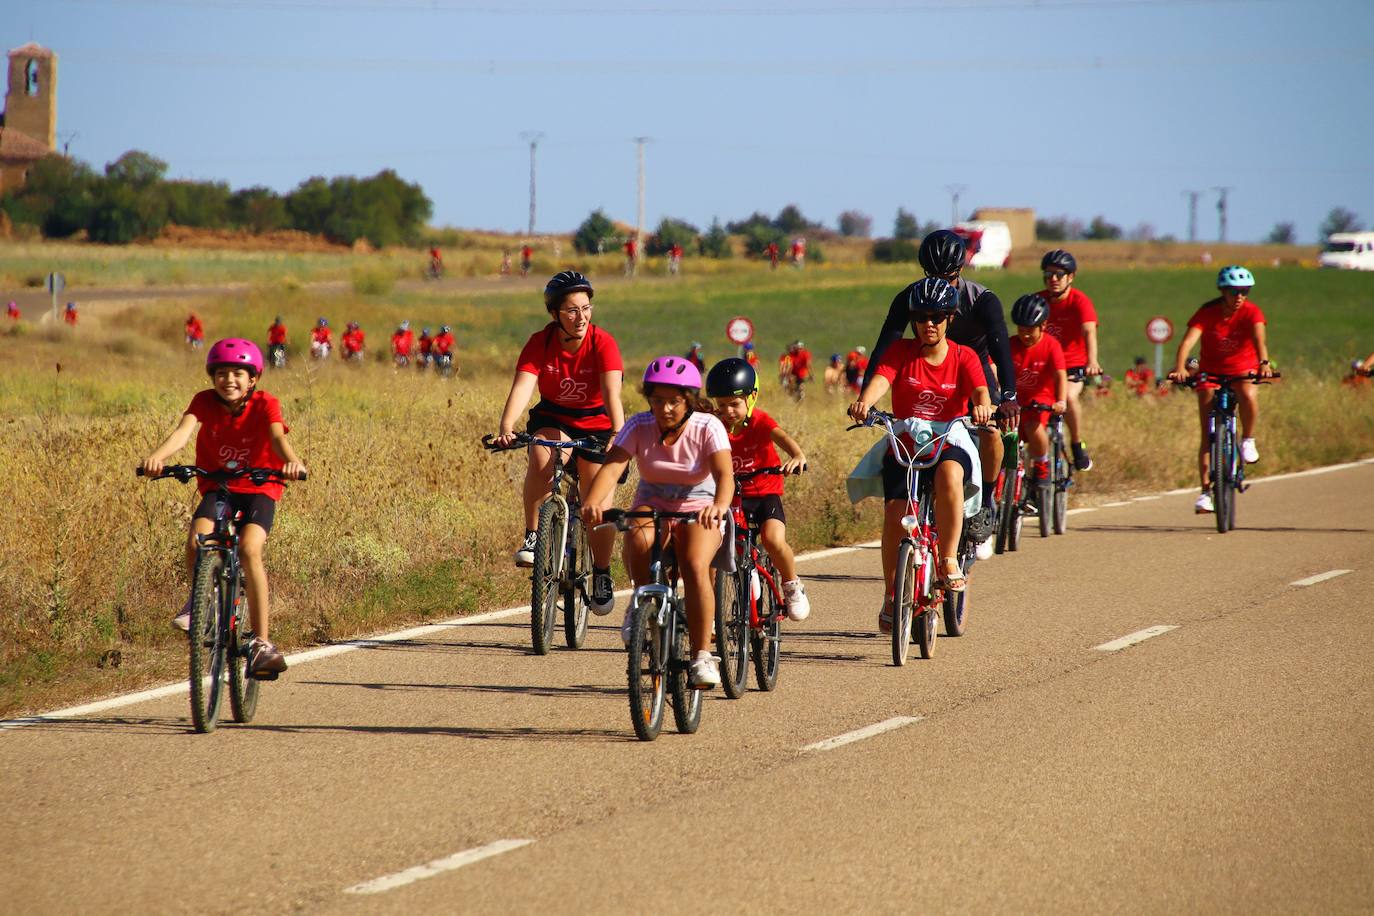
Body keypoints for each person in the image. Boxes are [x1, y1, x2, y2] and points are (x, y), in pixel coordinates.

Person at [140, 339, 306, 677]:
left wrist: (293, 462)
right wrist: (159, 457)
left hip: (261, 487)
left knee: (249, 549)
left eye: (237, 374)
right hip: (220, 486)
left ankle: (261, 642)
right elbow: (182, 433)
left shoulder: (265, 404)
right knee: (195, 542)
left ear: (253, 379)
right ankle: (200, 604)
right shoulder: (203, 401)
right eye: (221, 373)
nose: (228, 380)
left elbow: (277, 438)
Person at [849, 277, 992, 631]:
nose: (929, 323)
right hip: (907, 441)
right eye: (921, 317)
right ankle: (891, 595)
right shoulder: (901, 352)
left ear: (950, 319)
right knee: (895, 514)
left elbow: (979, 390)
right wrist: (866, 402)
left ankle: (947, 559)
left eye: (937, 316)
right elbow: (882, 378)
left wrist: (983, 407)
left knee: (948, 477)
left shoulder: (964, 355)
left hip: (949, 438)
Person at [582, 357, 732, 688]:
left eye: (674, 401)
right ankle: (641, 607)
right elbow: (612, 468)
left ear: (689, 400)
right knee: (637, 538)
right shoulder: (638, 426)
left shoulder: (708, 426)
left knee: (694, 566)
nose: (664, 409)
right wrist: (593, 501)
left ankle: (702, 656)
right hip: (653, 501)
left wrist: (719, 505)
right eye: (657, 400)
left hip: (699, 503)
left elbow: (725, 475)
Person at [864, 229, 1017, 545]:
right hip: (926, 366)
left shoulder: (982, 300)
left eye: (946, 277)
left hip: (971, 365)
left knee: (990, 431)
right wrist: (864, 398)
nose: (938, 283)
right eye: (931, 275)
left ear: (959, 271)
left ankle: (985, 499)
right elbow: (884, 349)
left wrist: (1009, 397)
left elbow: (1002, 349)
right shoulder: (911, 297)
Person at [493, 271, 625, 614]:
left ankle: (601, 572)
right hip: (554, 418)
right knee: (541, 454)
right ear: (554, 314)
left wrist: (617, 434)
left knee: (598, 507)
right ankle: (534, 536)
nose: (580, 317)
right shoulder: (540, 341)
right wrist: (507, 426)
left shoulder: (603, 343)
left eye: (586, 308)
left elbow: (613, 393)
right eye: (570, 310)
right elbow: (523, 386)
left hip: (598, 424)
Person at [707, 358, 810, 621]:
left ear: (751, 398)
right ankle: (708, 607)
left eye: (735, 404)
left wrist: (797, 456)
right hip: (731, 497)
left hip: (765, 493)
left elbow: (783, 439)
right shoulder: (714, 427)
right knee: (712, 547)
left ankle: (792, 585)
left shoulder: (760, 421)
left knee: (773, 540)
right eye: (722, 405)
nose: (728, 411)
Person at [1167, 265, 1274, 514]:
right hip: (1211, 371)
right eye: (1234, 291)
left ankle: (1247, 439)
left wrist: (1264, 364)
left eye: (1244, 291)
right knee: (1207, 433)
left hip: (1243, 369)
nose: (1239, 297)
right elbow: (1188, 341)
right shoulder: (1207, 312)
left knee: (1248, 393)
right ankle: (1206, 493)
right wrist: (1180, 367)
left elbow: (1260, 340)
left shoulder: (1252, 312)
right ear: (1223, 292)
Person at [1038, 249, 1100, 470]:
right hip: (1044, 367)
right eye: (1048, 275)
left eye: (1059, 274)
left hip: (1074, 367)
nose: (1053, 279)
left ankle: (1076, 443)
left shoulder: (1079, 301)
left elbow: (1089, 332)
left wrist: (1092, 361)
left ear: (1071, 277)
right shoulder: (1039, 301)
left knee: (1068, 398)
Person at [1008, 294, 1068, 499]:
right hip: (1015, 401)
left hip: (1041, 400)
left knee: (1033, 427)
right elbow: (994, 366)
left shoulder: (1051, 345)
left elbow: (1060, 375)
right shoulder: (1010, 345)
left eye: (1029, 331)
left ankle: (1042, 463)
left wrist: (1061, 401)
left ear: (1043, 325)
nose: (1024, 335)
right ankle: (1006, 482)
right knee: (1006, 436)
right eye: (1021, 330)